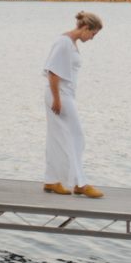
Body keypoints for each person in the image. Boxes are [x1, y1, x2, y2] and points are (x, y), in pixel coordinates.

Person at [43, 10, 104, 198]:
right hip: (59, 95)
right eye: (93, 34)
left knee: (58, 137)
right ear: (85, 27)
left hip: (65, 95)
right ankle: (80, 183)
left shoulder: (71, 43)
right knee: (76, 137)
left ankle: (51, 180)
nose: (92, 38)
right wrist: (57, 99)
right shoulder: (64, 43)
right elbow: (52, 72)